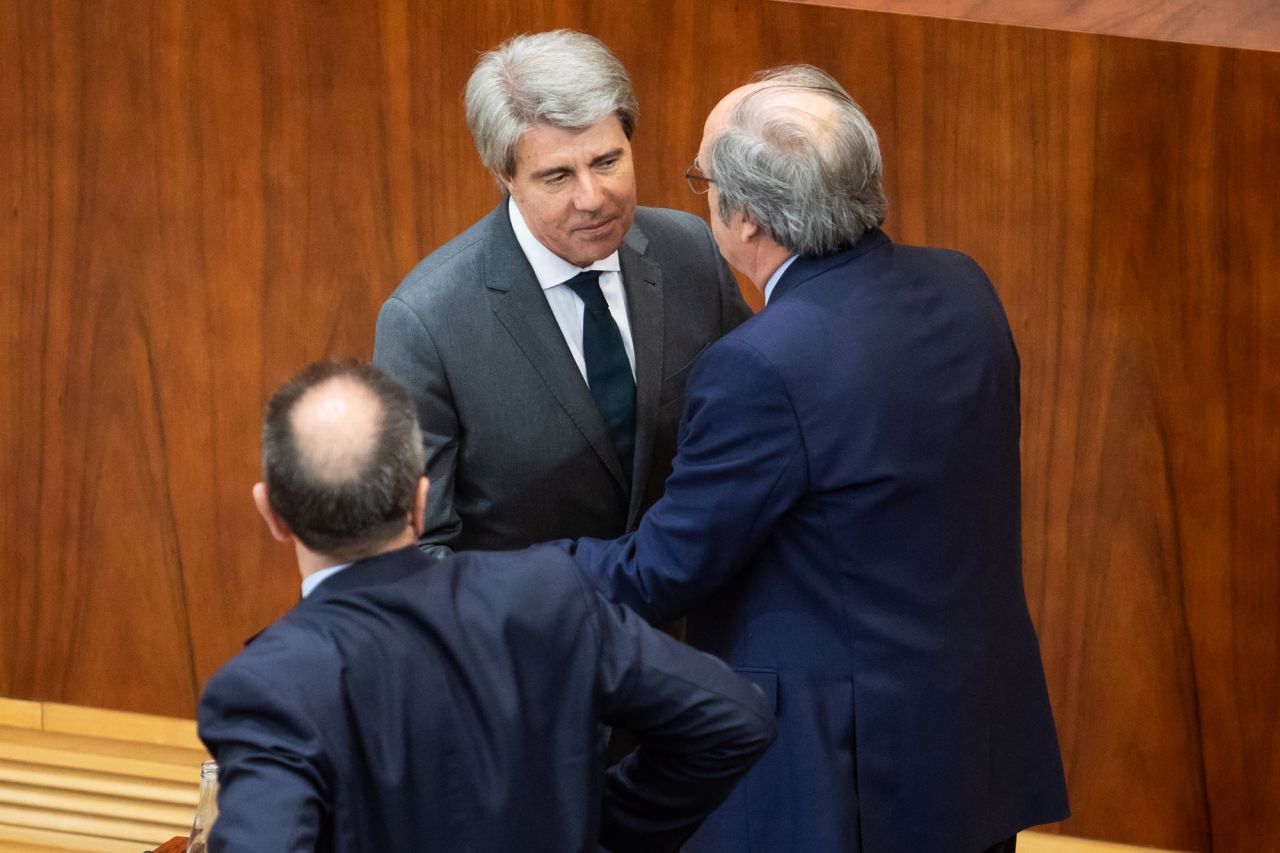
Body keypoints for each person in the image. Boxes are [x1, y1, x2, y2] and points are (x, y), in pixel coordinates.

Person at [564, 66, 1070, 852]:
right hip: (973, 741)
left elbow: (662, 570)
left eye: (701, 179)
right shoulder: (966, 287)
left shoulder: (760, 367)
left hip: (845, 779)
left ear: (746, 221)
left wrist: (508, 577)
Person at [196, 361, 775, 852]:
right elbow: (733, 719)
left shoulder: (266, 687)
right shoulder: (548, 595)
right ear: (420, 503)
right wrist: (596, 830)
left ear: (271, 514)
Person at [373, 30, 751, 559]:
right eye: (557, 176)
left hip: (692, 630)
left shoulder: (688, 252)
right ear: (505, 175)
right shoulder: (427, 323)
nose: (593, 199)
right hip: (533, 635)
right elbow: (422, 551)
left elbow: (753, 431)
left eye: (606, 162)